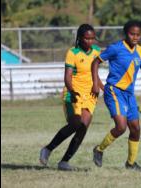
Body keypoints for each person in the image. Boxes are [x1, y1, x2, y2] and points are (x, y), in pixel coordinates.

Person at [90, 20, 141, 171]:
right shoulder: (116, 48)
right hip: (114, 90)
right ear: (126, 33)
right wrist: (95, 83)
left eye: (138, 34)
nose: (135, 37)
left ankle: (130, 164)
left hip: (129, 94)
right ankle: (99, 150)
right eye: (132, 34)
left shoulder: (140, 51)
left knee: (136, 129)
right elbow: (95, 62)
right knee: (121, 127)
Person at [39, 24, 104, 171]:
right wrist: (73, 92)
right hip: (73, 92)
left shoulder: (97, 51)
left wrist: (102, 87)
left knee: (83, 127)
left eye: (92, 38)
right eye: (87, 38)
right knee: (75, 123)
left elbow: (95, 74)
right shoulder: (72, 53)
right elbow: (67, 77)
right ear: (80, 38)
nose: (90, 41)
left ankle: (64, 162)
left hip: (91, 94)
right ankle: (48, 149)